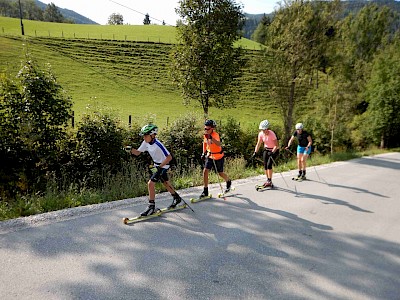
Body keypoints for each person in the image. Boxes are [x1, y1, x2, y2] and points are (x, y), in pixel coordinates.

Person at [128, 124, 182, 216]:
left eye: (146, 135)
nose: (144, 137)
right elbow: (137, 153)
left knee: (151, 183)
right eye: (144, 136)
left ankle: (151, 206)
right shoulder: (146, 142)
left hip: (163, 165)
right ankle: (177, 198)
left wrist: (160, 167)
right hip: (156, 165)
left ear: (152, 135)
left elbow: (169, 157)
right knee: (165, 182)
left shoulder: (158, 144)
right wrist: (130, 150)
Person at [200, 119, 232, 198]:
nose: (206, 130)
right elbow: (204, 144)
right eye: (205, 129)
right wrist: (203, 153)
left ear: (212, 128)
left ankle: (228, 181)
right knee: (205, 171)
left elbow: (218, 144)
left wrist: (211, 138)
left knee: (220, 173)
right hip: (210, 156)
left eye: (208, 129)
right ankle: (205, 190)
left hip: (218, 156)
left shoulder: (215, 135)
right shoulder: (205, 135)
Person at [252, 119, 279, 187]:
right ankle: (268, 180)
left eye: (264, 129)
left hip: (274, 150)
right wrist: (255, 152)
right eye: (262, 130)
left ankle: (269, 181)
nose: (263, 131)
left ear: (267, 128)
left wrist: (272, 152)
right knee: (265, 165)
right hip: (266, 150)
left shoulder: (272, 134)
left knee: (269, 164)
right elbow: (258, 144)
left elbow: (276, 145)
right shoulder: (261, 134)